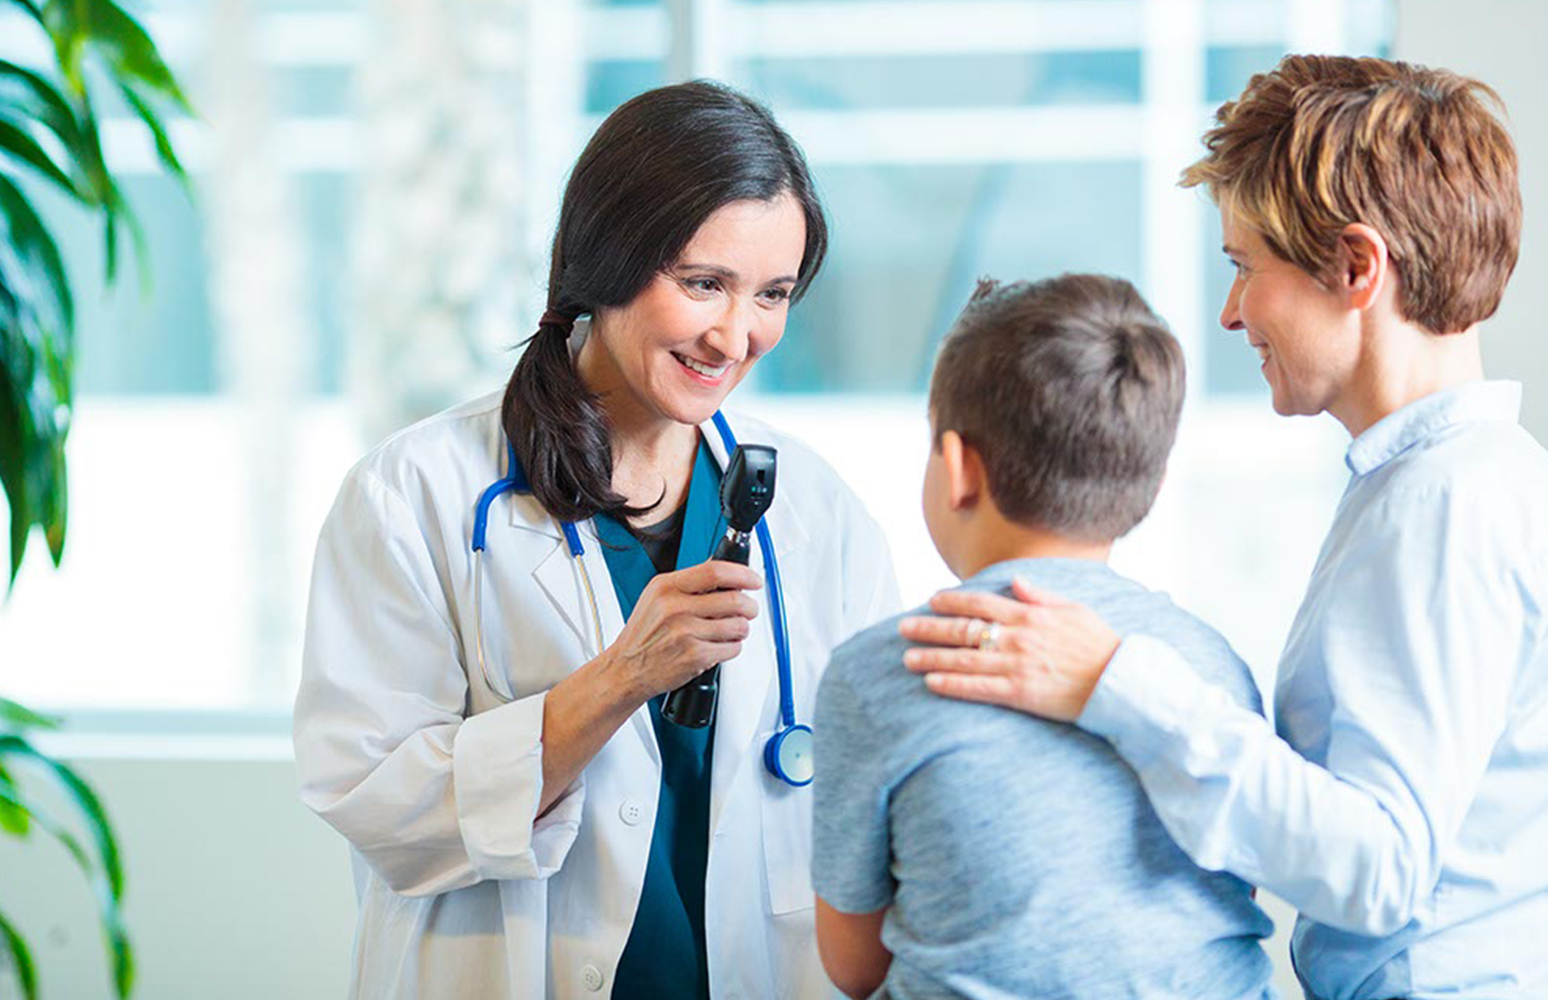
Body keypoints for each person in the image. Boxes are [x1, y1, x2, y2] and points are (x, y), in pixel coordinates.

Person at [900, 56, 1548, 1000]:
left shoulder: (1443, 505)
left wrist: (1111, 681)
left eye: (1246, 267)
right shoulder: (1449, 481)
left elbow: (1382, 869)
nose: (1231, 311)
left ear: (1357, 267)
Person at [294, 81, 899, 1000]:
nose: (735, 336)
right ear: (608, 259)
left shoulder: (818, 512)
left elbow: (875, 789)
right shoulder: (413, 494)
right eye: (704, 283)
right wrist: (618, 680)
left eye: (772, 295)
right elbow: (375, 802)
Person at [811, 274, 1276, 1000]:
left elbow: (853, 966)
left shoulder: (885, 672)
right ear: (1147, 484)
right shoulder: (1213, 663)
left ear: (959, 468)